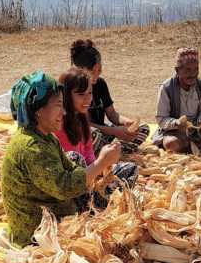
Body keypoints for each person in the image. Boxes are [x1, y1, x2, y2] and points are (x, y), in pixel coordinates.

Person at [0, 71, 121, 247]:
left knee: (83, 165)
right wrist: (100, 163)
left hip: (57, 215)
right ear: (38, 111)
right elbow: (64, 187)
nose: (64, 112)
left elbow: (71, 169)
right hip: (37, 235)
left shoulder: (46, 137)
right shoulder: (32, 148)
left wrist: (100, 170)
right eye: (58, 105)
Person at [55, 67, 139, 208]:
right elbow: (71, 171)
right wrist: (101, 163)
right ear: (66, 95)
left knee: (131, 169)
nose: (88, 99)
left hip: (89, 179)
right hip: (72, 189)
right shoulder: (58, 124)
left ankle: (104, 200)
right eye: (81, 94)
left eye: (90, 93)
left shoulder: (82, 120)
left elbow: (89, 155)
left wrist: (103, 166)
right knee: (75, 157)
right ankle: (92, 205)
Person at [70, 39, 150, 157]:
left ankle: (112, 152)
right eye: (93, 71)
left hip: (104, 132)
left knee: (143, 128)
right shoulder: (73, 87)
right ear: (80, 69)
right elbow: (84, 125)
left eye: (99, 70)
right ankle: (108, 153)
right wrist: (113, 131)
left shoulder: (100, 84)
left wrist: (126, 122)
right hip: (86, 133)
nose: (97, 74)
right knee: (93, 134)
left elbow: (111, 113)